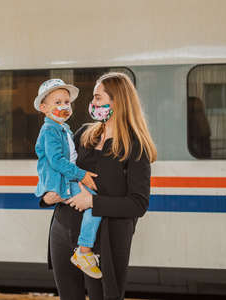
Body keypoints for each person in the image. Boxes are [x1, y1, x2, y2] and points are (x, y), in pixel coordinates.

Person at [41, 72, 157, 300]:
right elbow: (57, 169)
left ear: (118, 101)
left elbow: (138, 204)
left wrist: (92, 201)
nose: (92, 103)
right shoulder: (84, 134)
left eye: (98, 97)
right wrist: (47, 197)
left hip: (105, 242)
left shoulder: (135, 147)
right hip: (63, 230)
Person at [33, 78, 102, 278]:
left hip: (67, 179)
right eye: (57, 103)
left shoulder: (63, 128)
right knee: (96, 205)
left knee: (94, 203)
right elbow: (56, 161)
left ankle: (84, 249)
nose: (64, 106)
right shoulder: (50, 130)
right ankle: (84, 251)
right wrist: (82, 175)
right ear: (44, 108)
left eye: (66, 102)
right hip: (63, 181)